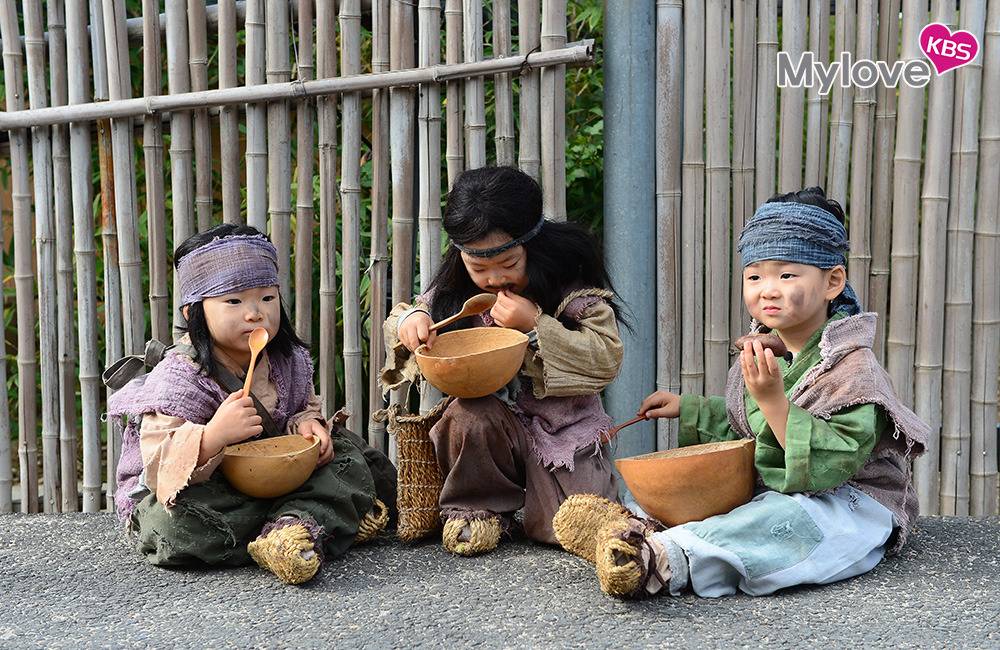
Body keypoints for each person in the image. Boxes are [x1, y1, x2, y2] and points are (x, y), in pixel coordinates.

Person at [553, 187, 929, 598]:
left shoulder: (855, 368)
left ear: (832, 281)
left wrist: (772, 400)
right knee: (680, 493)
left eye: (787, 275)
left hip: (849, 501)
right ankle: (632, 528)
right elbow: (746, 427)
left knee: (783, 520)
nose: (767, 289)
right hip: (775, 484)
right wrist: (691, 409)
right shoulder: (765, 347)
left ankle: (662, 558)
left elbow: (832, 465)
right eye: (755, 276)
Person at [108, 224, 394, 585]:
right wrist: (213, 436)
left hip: (278, 475)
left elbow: (301, 405)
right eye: (234, 301)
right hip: (212, 491)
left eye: (267, 298)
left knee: (348, 457)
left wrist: (308, 425)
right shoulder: (179, 378)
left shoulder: (286, 359)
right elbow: (157, 466)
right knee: (171, 527)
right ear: (191, 311)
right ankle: (304, 524)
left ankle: (289, 527)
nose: (255, 313)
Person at [381, 166, 628, 556]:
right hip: (494, 426)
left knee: (574, 525)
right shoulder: (454, 289)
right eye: (479, 268)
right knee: (467, 415)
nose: (494, 279)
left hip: (564, 432)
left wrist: (537, 324)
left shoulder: (570, 283)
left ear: (533, 244)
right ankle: (478, 508)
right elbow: (402, 318)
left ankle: (556, 505)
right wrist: (412, 321)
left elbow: (606, 358)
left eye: (509, 264)